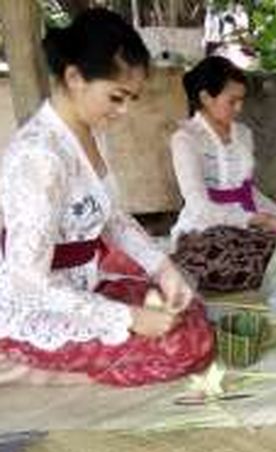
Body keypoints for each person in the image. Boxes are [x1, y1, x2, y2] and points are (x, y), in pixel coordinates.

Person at [0, 8, 214, 386]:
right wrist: (127, 318)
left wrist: (163, 269)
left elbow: (112, 218)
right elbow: (27, 280)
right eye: (116, 97)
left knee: (188, 310)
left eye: (130, 98)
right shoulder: (40, 157)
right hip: (33, 302)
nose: (124, 111)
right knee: (180, 345)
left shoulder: (87, 134)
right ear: (74, 77)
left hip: (82, 283)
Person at [170, 56, 276, 292]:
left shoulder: (243, 134)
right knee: (230, 254)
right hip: (202, 229)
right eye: (232, 101)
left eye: (242, 100)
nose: (239, 108)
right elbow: (199, 205)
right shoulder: (185, 139)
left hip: (244, 226)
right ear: (205, 98)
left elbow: (246, 191)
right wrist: (257, 219)